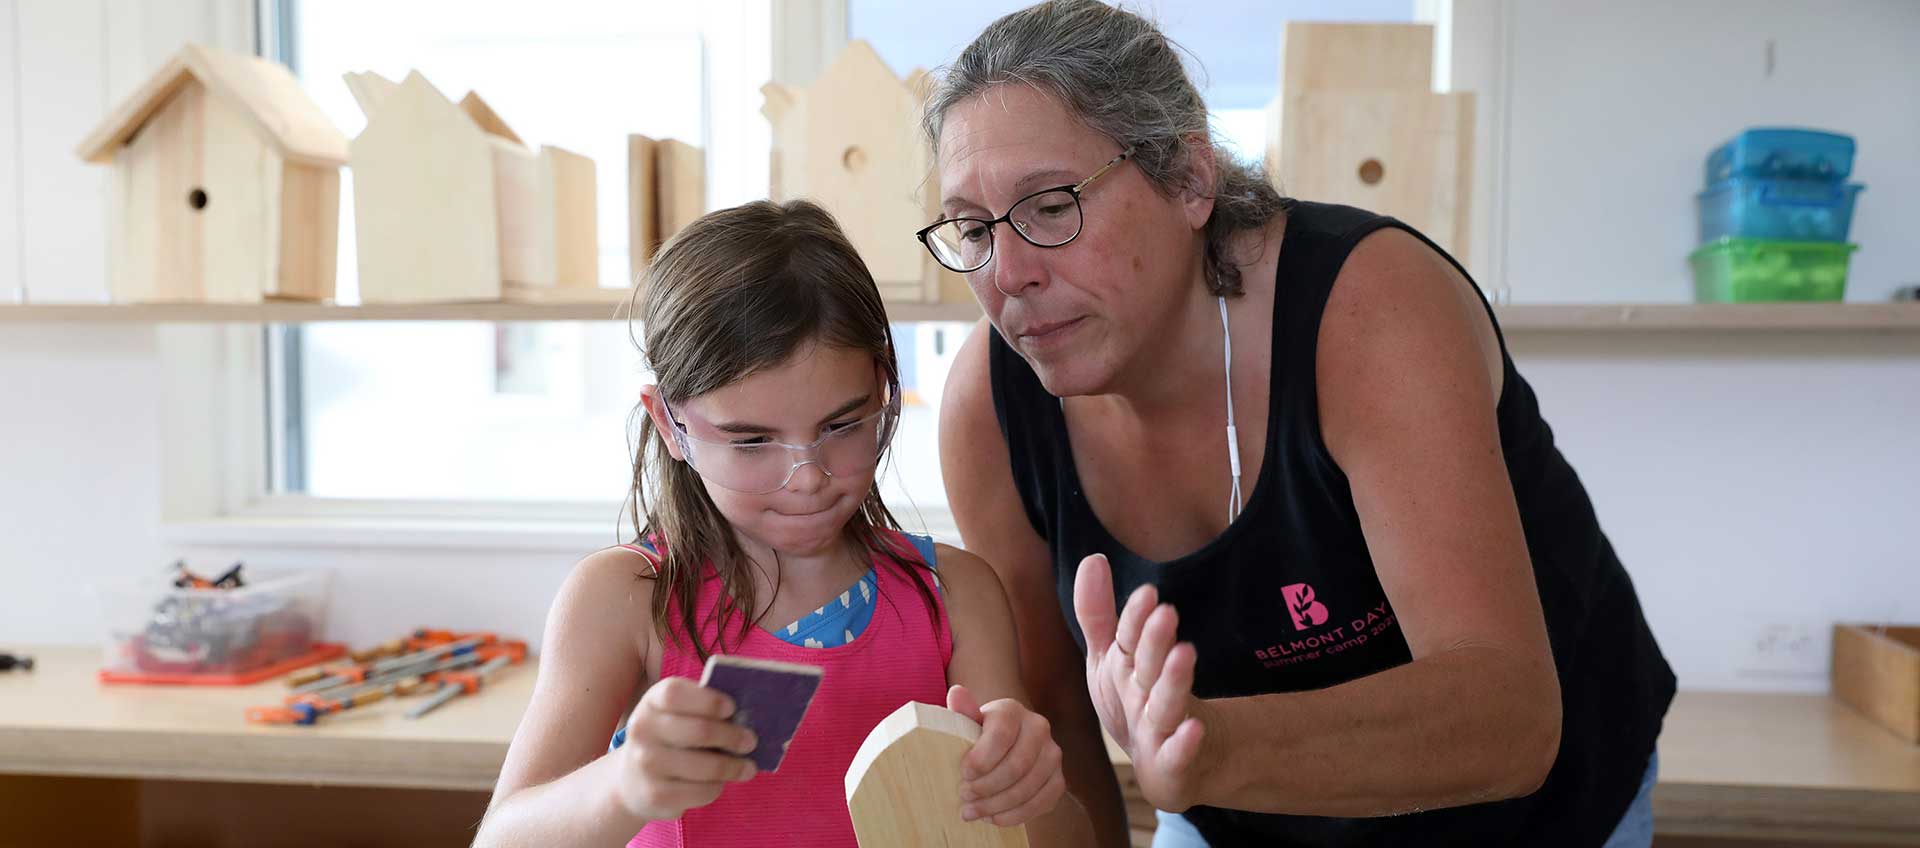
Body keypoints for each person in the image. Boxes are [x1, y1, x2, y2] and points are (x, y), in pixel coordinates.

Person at [924, 2, 1675, 846]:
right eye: (972, 227)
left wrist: (1207, 750)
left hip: (1541, 814)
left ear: (1190, 181)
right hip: (1238, 806)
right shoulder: (989, 408)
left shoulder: (1368, 309)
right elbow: (1054, 715)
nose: (1008, 273)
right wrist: (1195, 766)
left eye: (1052, 205)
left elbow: (1509, 716)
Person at [475, 200, 1094, 847]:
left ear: (883, 386)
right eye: (751, 441)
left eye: (842, 425)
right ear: (670, 423)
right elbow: (501, 839)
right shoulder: (626, 598)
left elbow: (1064, 840)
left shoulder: (956, 595)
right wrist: (621, 785)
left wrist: (1028, 787)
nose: (807, 476)